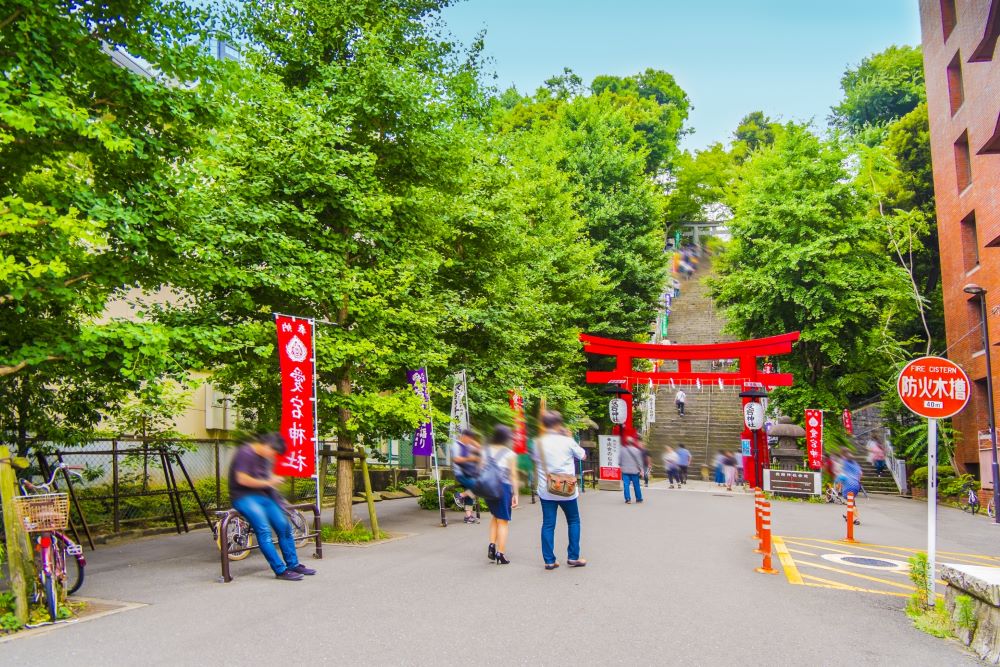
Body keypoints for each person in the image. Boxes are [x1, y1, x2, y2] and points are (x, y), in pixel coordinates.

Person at [228, 433, 316, 581]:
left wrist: (280, 502)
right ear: (267, 445)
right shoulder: (245, 452)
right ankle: (280, 570)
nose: (273, 456)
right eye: (273, 452)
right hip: (243, 497)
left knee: (284, 526)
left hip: (263, 497)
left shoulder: (264, 459)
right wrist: (269, 482)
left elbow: (268, 483)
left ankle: (293, 564)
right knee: (263, 530)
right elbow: (242, 479)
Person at [534, 411, 587, 570]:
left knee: (548, 524)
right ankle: (573, 557)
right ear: (558, 424)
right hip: (567, 490)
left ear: (543, 424)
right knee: (573, 521)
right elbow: (583, 456)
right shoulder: (567, 441)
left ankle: (549, 560)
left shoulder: (537, 443)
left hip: (546, 489)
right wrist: (569, 437)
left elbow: (536, 461)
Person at [484, 425, 519, 565]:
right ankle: (501, 553)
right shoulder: (510, 454)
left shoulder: (485, 451)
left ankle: (492, 546)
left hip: (488, 488)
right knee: (503, 521)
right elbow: (513, 476)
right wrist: (515, 494)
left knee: (495, 516)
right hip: (503, 488)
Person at [451, 429, 482, 524]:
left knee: (470, 493)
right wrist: (470, 458)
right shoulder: (456, 445)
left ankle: (468, 517)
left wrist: (472, 442)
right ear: (464, 436)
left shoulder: (468, 445)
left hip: (469, 472)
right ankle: (459, 495)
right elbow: (456, 459)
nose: (470, 440)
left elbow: (480, 449)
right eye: (469, 438)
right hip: (461, 473)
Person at [620, 436, 645, 504]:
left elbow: (619, 461)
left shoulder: (622, 450)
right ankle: (639, 499)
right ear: (633, 442)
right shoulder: (637, 450)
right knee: (636, 485)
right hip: (634, 470)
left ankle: (628, 499)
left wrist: (621, 467)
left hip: (625, 470)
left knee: (626, 485)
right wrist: (641, 470)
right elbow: (639, 461)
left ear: (627, 442)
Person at [841, 453, 863, 524]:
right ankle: (848, 516)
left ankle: (856, 518)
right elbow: (860, 473)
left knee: (852, 502)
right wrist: (858, 481)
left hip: (848, 486)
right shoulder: (855, 464)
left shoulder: (845, 465)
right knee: (851, 500)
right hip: (856, 485)